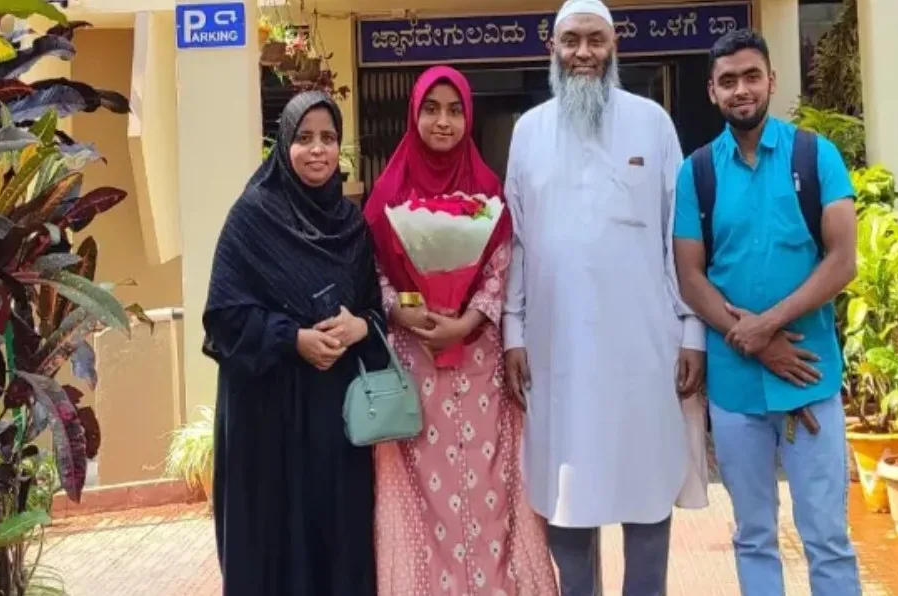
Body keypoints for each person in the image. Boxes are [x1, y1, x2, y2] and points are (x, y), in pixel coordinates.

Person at [501, 0, 706, 593]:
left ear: (614, 48)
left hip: (644, 349)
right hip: (556, 349)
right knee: (567, 498)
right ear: (553, 49)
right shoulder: (528, 131)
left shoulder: (652, 122)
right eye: (572, 41)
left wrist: (692, 329)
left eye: (595, 40)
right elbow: (515, 240)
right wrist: (513, 330)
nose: (583, 53)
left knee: (645, 491)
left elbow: (679, 237)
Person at [672, 29, 862, 596]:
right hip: (736, 392)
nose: (741, 89)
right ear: (712, 91)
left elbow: (842, 260)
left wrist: (766, 324)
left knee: (826, 535)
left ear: (772, 81)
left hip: (809, 378)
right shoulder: (697, 172)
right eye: (728, 81)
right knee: (753, 534)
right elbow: (690, 276)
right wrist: (751, 338)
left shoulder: (814, 154)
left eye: (751, 76)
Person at [365, 65, 558, 596]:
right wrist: (401, 312)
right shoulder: (387, 192)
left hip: (479, 366)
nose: (443, 122)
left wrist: (469, 321)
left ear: (468, 118)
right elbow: (372, 271)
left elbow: (501, 266)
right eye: (432, 109)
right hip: (415, 358)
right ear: (414, 114)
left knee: (491, 484)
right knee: (424, 491)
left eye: (454, 111)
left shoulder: (487, 188)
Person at [203, 91, 388, 596]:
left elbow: (376, 308)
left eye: (328, 138)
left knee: (337, 543)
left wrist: (360, 328)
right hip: (268, 422)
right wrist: (293, 340)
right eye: (304, 138)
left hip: (334, 423)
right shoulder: (251, 219)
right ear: (284, 143)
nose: (317, 150)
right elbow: (223, 319)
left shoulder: (351, 225)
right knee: (272, 547)